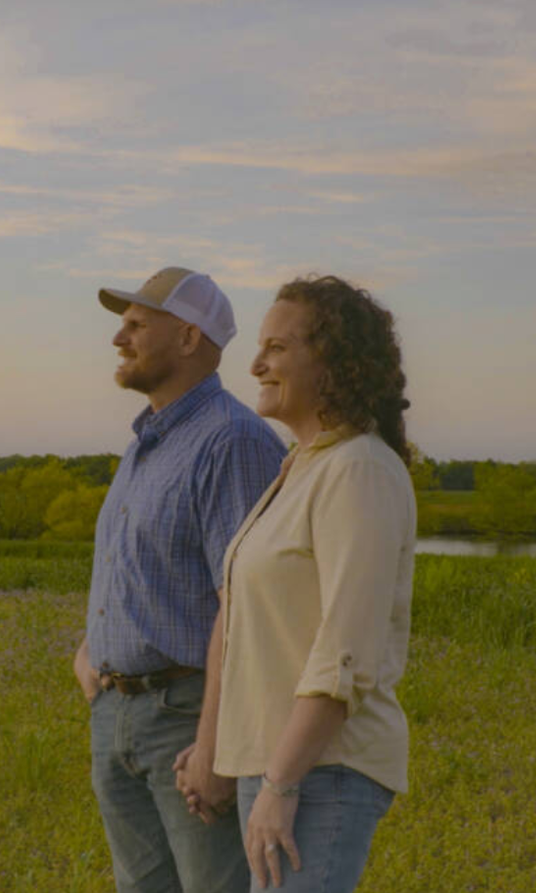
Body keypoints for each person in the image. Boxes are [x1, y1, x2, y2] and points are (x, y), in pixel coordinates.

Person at [192, 275, 415, 892]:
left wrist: (283, 783)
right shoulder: (303, 468)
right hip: (274, 769)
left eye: (277, 348)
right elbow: (239, 620)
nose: (257, 364)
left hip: (320, 772)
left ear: (334, 362)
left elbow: (345, 651)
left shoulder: (358, 470)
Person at [76, 266, 287, 893]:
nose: (120, 337)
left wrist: (215, 745)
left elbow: (246, 605)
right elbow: (132, 568)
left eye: (138, 324)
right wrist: (91, 654)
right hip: (116, 711)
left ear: (190, 338)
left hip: (186, 715)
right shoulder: (146, 444)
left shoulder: (233, 442)